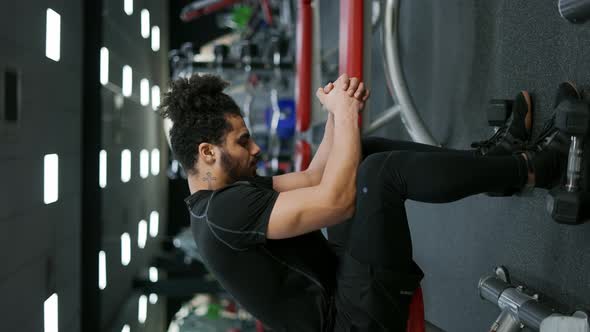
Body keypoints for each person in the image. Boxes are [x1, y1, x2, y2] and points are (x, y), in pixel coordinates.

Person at [159, 73, 576, 331]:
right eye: (242, 141)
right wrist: (346, 118)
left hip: (344, 286)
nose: (255, 150)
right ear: (207, 153)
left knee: (364, 152)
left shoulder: (223, 197)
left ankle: (496, 165)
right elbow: (337, 202)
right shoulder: (222, 214)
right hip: (351, 321)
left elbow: (313, 177)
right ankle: (542, 167)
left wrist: (338, 117)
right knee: (379, 175)